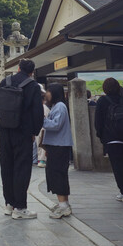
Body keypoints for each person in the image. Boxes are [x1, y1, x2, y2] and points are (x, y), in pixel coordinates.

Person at [0, 59, 44, 220]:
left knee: (6, 167)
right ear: (32, 72)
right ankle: (20, 207)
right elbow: (37, 112)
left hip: (4, 131)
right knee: (21, 169)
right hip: (23, 132)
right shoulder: (33, 86)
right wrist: (34, 131)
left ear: (18, 68)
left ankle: (9, 204)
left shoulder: (5, 81)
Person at [94, 77, 123, 204]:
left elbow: (98, 121)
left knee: (117, 165)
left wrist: (101, 136)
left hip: (111, 138)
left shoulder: (102, 101)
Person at [42, 84, 72, 219]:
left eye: (48, 91)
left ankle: (63, 206)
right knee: (59, 174)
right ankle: (64, 204)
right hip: (58, 145)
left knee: (57, 175)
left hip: (59, 146)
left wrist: (42, 120)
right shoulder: (57, 106)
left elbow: (56, 124)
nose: (47, 94)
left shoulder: (60, 106)